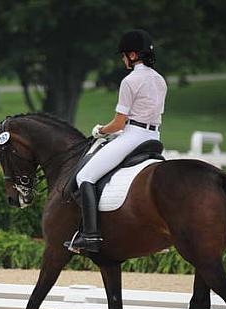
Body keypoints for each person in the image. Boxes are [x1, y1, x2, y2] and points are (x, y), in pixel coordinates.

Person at [64, 29, 168, 254]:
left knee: (85, 176)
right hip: (154, 137)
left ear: (132, 55)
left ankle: (90, 236)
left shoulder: (130, 81)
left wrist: (100, 130)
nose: (123, 60)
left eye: (124, 56)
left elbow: (119, 123)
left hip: (133, 135)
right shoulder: (160, 80)